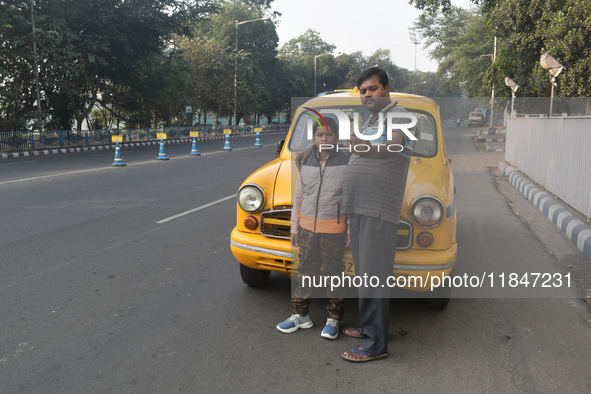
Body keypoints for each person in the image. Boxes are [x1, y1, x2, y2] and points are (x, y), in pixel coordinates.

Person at [339, 67, 412, 362]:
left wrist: (363, 148)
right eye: (363, 91)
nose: (367, 94)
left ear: (387, 88)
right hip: (360, 206)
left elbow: (392, 146)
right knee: (365, 274)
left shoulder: (401, 115)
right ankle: (369, 327)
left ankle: (376, 344)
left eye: (372, 88)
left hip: (377, 209)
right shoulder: (372, 120)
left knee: (374, 276)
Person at [276, 117, 350, 339]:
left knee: (333, 274)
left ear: (336, 137)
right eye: (320, 135)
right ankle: (301, 316)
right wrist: (294, 228)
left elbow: (350, 198)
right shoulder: (305, 161)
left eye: (329, 134)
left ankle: (333, 319)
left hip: (334, 229)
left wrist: (349, 230)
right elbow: (299, 196)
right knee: (305, 271)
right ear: (314, 138)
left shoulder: (347, 160)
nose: (324, 138)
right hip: (307, 227)